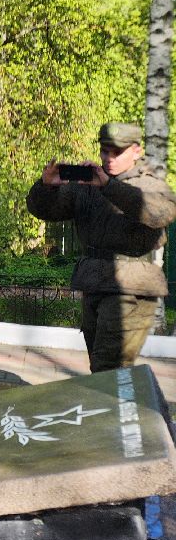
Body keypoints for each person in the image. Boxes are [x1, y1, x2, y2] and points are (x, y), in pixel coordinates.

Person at [26, 122, 176, 372]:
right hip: (95, 282)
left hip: (132, 287)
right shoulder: (86, 187)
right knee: (102, 369)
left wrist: (109, 187)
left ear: (137, 151)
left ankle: (121, 408)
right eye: (105, 151)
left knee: (108, 368)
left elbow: (161, 213)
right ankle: (115, 409)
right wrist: (47, 186)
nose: (109, 158)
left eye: (117, 152)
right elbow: (44, 210)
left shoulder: (149, 184)